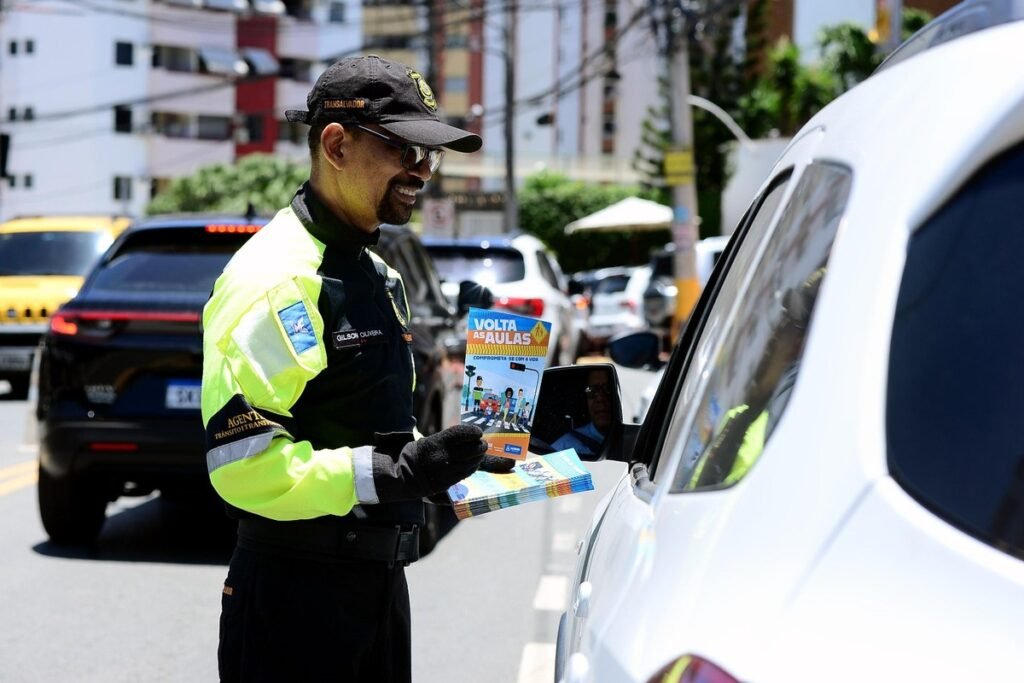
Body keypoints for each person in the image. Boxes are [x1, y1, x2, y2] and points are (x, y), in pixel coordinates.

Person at [201, 54, 512, 683]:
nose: (423, 172)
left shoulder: (377, 273)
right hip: (295, 602)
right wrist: (394, 473)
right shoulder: (278, 279)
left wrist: (467, 453)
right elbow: (242, 467)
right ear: (336, 145)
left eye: (431, 156)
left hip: (376, 585)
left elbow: (368, 423)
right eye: (406, 150)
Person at [552, 367, 614, 457]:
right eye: (592, 390)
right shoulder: (565, 447)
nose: (600, 398)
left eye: (608, 389)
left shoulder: (631, 440)